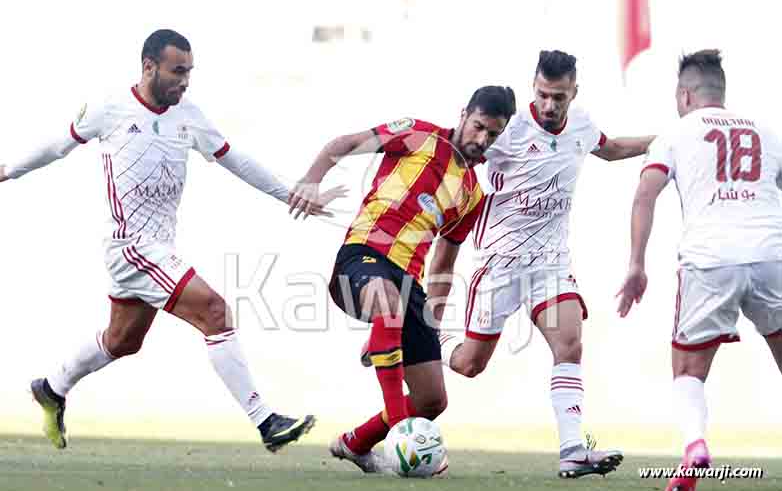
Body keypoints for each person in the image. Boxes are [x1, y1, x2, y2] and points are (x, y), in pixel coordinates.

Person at [0, 29, 340, 452]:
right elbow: (58, 145)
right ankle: (266, 421)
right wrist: (9, 169)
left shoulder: (189, 116)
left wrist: (291, 194)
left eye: (189, 72)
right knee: (215, 311)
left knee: (122, 341)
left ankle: (51, 387)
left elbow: (236, 159)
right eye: (178, 71)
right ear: (149, 67)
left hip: (159, 249)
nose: (185, 80)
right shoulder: (111, 109)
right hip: (133, 248)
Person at [437, 50, 654, 478]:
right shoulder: (509, 131)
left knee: (570, 344)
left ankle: (572, 448)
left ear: (575, 92)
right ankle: (425, 340)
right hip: (500, 264)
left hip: (551, 264)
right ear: (533, 87)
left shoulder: (583, 126)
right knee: (469, 365)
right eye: (543, 94)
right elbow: (460, 150)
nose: (551, 105)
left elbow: (609, 150)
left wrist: (661, 144)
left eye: (559, 96)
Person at [288, 86, 516, 472]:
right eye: (478, 127)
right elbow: (346, 143)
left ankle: (354, 444)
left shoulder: (473, 195)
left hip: (409, 285)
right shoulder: (418, 133)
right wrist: (311, 178)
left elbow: (444, 263)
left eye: (492, 135)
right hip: (362, 255)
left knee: (432, 400)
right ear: (463, 114)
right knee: (388, 302)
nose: (481, 140)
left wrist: (432, 321)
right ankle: (400, 431)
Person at [616, 49, 782, 491]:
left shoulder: (675, 132)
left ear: (685, 95)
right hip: (771, 256)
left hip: (710, 260)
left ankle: (694, 448)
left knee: (688, 369)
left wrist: (636, 264)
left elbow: (645, 195)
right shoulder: (767, 132)